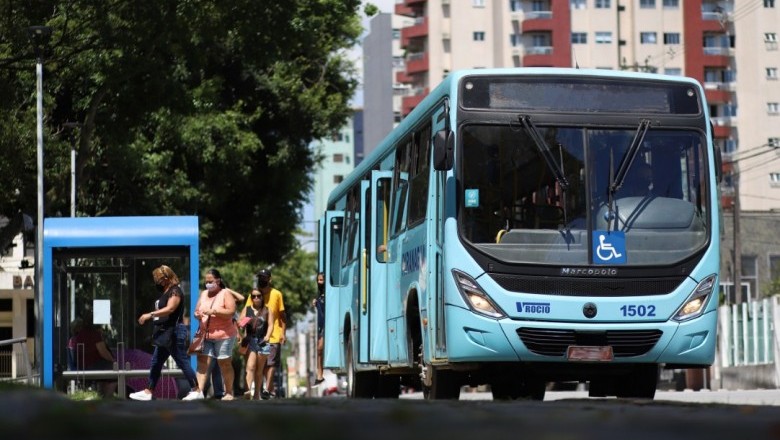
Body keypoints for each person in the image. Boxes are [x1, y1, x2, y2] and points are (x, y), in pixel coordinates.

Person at [129, 265, 203, 401]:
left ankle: (197, 390)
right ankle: (148, 391)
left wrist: (149, 315)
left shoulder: (175, 291)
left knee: (181, 360)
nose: (157, 281)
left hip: (174, 332)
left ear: (167, 278)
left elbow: (170, 309)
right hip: (165, 332)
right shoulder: (166, 291)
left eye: (159, 278)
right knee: (156, 362)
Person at [193, 268, 238, 400]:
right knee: (202, 362)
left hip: (224, 335)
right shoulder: (204, 294)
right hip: (206, 335)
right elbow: (197, 310)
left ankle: (228, 392)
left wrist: (214, 311)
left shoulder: (225, 293)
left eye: (210, 281)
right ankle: (198, 392)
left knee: (224, 362)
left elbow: (231, 311)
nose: (208, 283)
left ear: (218, 281)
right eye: (206, 281)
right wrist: (198, 314)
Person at [67, 315, 117, 397]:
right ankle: (107, 398)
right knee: (115, 371)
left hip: (81, 366)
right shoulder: (93, 335)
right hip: (91, 366)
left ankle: (101, 396)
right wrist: (113, 361)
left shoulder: (74, 338)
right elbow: (103, 352)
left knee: (105, 373)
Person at [255, 268, 286, 399]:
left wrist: (283, 333)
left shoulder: (277, 294)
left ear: (269, 279)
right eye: (260, 277)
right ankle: (268, 389)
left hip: (274, 334)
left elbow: (283, 315)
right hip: (258, 336)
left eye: (264, 277)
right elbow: (249, 311)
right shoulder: (255, 294)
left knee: (271, 363)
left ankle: (267, 389)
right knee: (261, 365)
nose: (262, 280)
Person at [239, 288, 274, 399]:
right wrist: (245, 321)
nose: (256, 298)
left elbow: (271, 325)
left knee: (259, 370)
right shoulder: (247, 309)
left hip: (263, 341)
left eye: (258, 296)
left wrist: (267, 336)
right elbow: (240, 323)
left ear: (262, 297)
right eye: (253, 296)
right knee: (250, 367)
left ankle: (257, 394)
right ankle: (248, 391)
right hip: (250, 340)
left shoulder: (267, 310)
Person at [311, 272, 326, 386]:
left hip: (328, 325)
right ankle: (319, 375)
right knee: (319, 350)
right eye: (318, 280)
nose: (320, 282)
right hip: (321, 326)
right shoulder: (319, 295)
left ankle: (320, 375)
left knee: (321, 348)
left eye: (322, 280)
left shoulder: (329, 293)